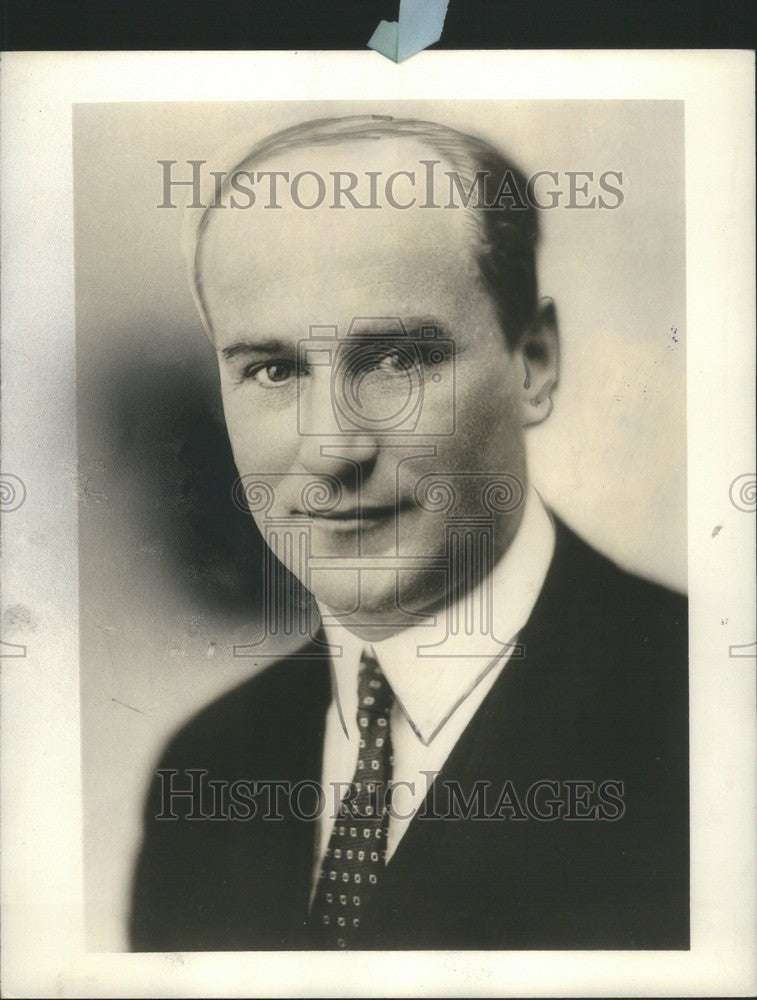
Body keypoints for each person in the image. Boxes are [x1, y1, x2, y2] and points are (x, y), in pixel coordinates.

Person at [130, 116, 688, 951]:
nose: (332, 449)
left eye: (395, 361)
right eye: (273, 371)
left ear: (532, 361)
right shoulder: (205, 770)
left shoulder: (707, 715)